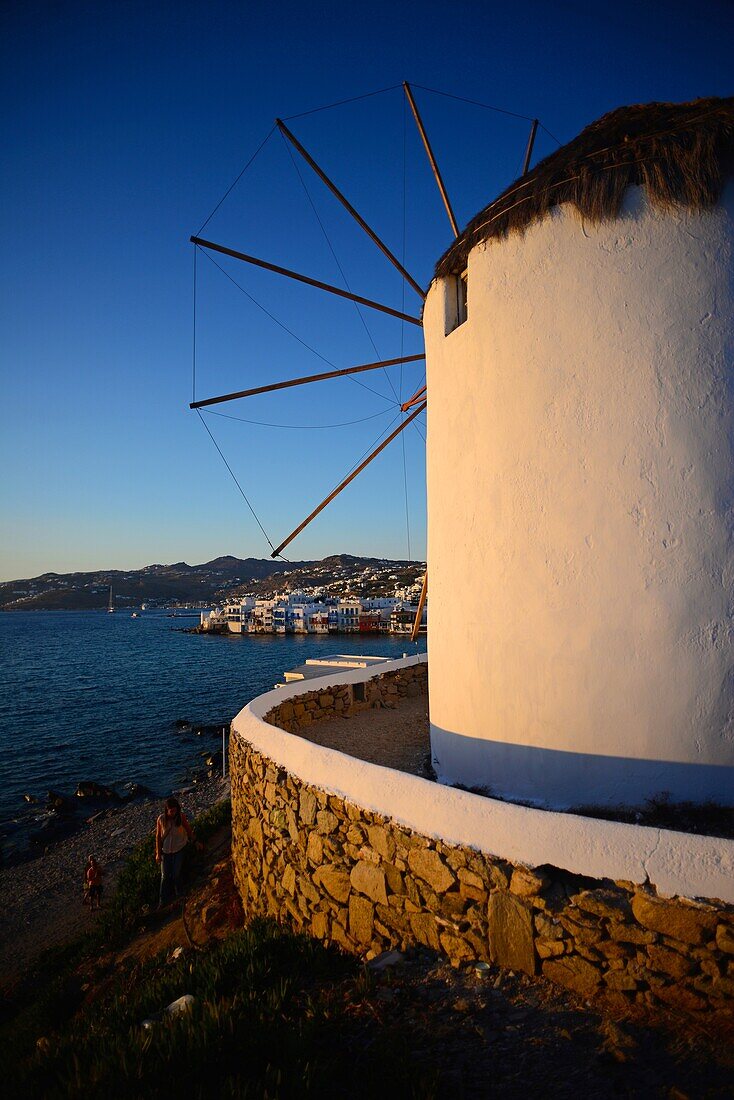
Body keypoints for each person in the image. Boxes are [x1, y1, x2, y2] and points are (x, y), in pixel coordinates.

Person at [155, 796, 198, 907]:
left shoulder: (181, 817)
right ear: (167, 810)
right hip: (166, 851)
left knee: (176, 874)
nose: (173, 813)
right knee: (164, 876)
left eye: (175, 810)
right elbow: (158, 837)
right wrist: (158, 853)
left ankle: (180, 895)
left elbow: (188, 829)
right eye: (171, 811)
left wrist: (195, 841)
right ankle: (162, 902)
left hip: (179, 849)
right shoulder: (161, 819)